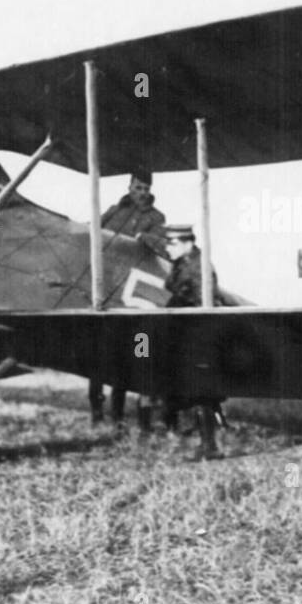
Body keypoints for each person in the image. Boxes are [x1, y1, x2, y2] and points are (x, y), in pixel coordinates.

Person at [89, 170, 166, 426]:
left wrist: (145, 238)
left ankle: (135, 420)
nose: (142, 193)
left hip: (132, 296)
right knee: (101, 356)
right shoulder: (114, 210)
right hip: (106, 290)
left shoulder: (156, 218)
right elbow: (92, 230)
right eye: (138, 187)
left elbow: (161, 245)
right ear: (130, 186)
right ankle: (98, 411)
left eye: (146, 189)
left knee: (138, 357)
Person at [161, 223, 223, 459]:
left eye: (172, 243)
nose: (167, 248)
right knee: (194, 389)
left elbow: (202, 300)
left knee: (201, 390)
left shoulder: (198, 266)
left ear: (187, 243)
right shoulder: (182, 262)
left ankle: (209, 446)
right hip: (187, 332)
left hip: (199, 332)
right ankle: (204, 441)